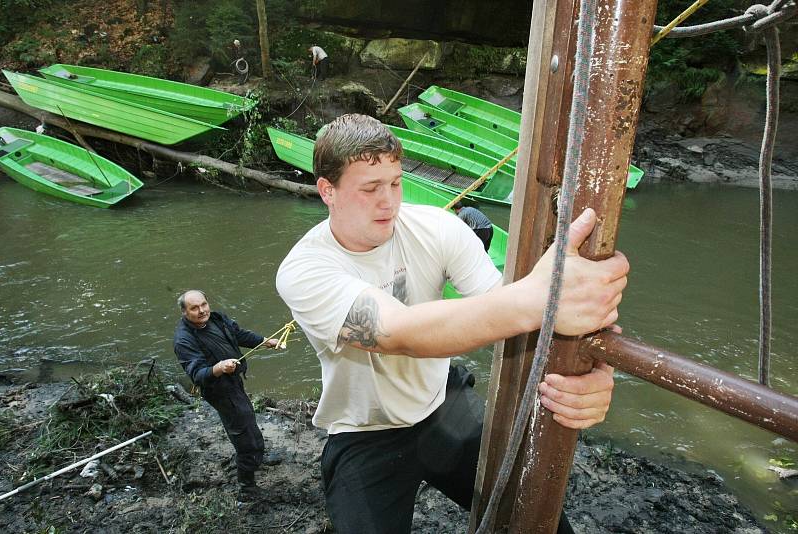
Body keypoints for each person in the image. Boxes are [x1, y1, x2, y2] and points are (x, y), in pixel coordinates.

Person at [276, 114, 629, 533]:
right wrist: (538, 298)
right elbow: (397, 333)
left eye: (395, 182)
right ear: (327, 191)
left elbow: (505, 315)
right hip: (366, 430)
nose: (389, 202)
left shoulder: (439, 228)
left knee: (538, 518)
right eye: (370, 189)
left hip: (443, 405)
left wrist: (589, 369)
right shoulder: (304, 270)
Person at [173, 289, 278, 500]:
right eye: (194, 308)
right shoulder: (183, 340)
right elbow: (197, 374)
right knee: (243, 433)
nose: (202, 311)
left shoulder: (217, 318)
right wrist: (219, 367)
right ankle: (246, 489)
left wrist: (265, 340)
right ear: (184, 312)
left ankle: (255, 456)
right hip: (219, 390)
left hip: (233, 381)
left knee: (246, 418)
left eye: (203, 304)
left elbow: (238, 334)